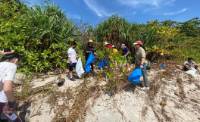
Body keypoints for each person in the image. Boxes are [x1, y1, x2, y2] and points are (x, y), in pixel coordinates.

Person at [0, 53, 21, 121]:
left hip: (2, 103)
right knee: (15, 119)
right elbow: (7, 89)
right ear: (16, 60)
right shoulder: (11, 65)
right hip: (2, 105)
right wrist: (12, 103)